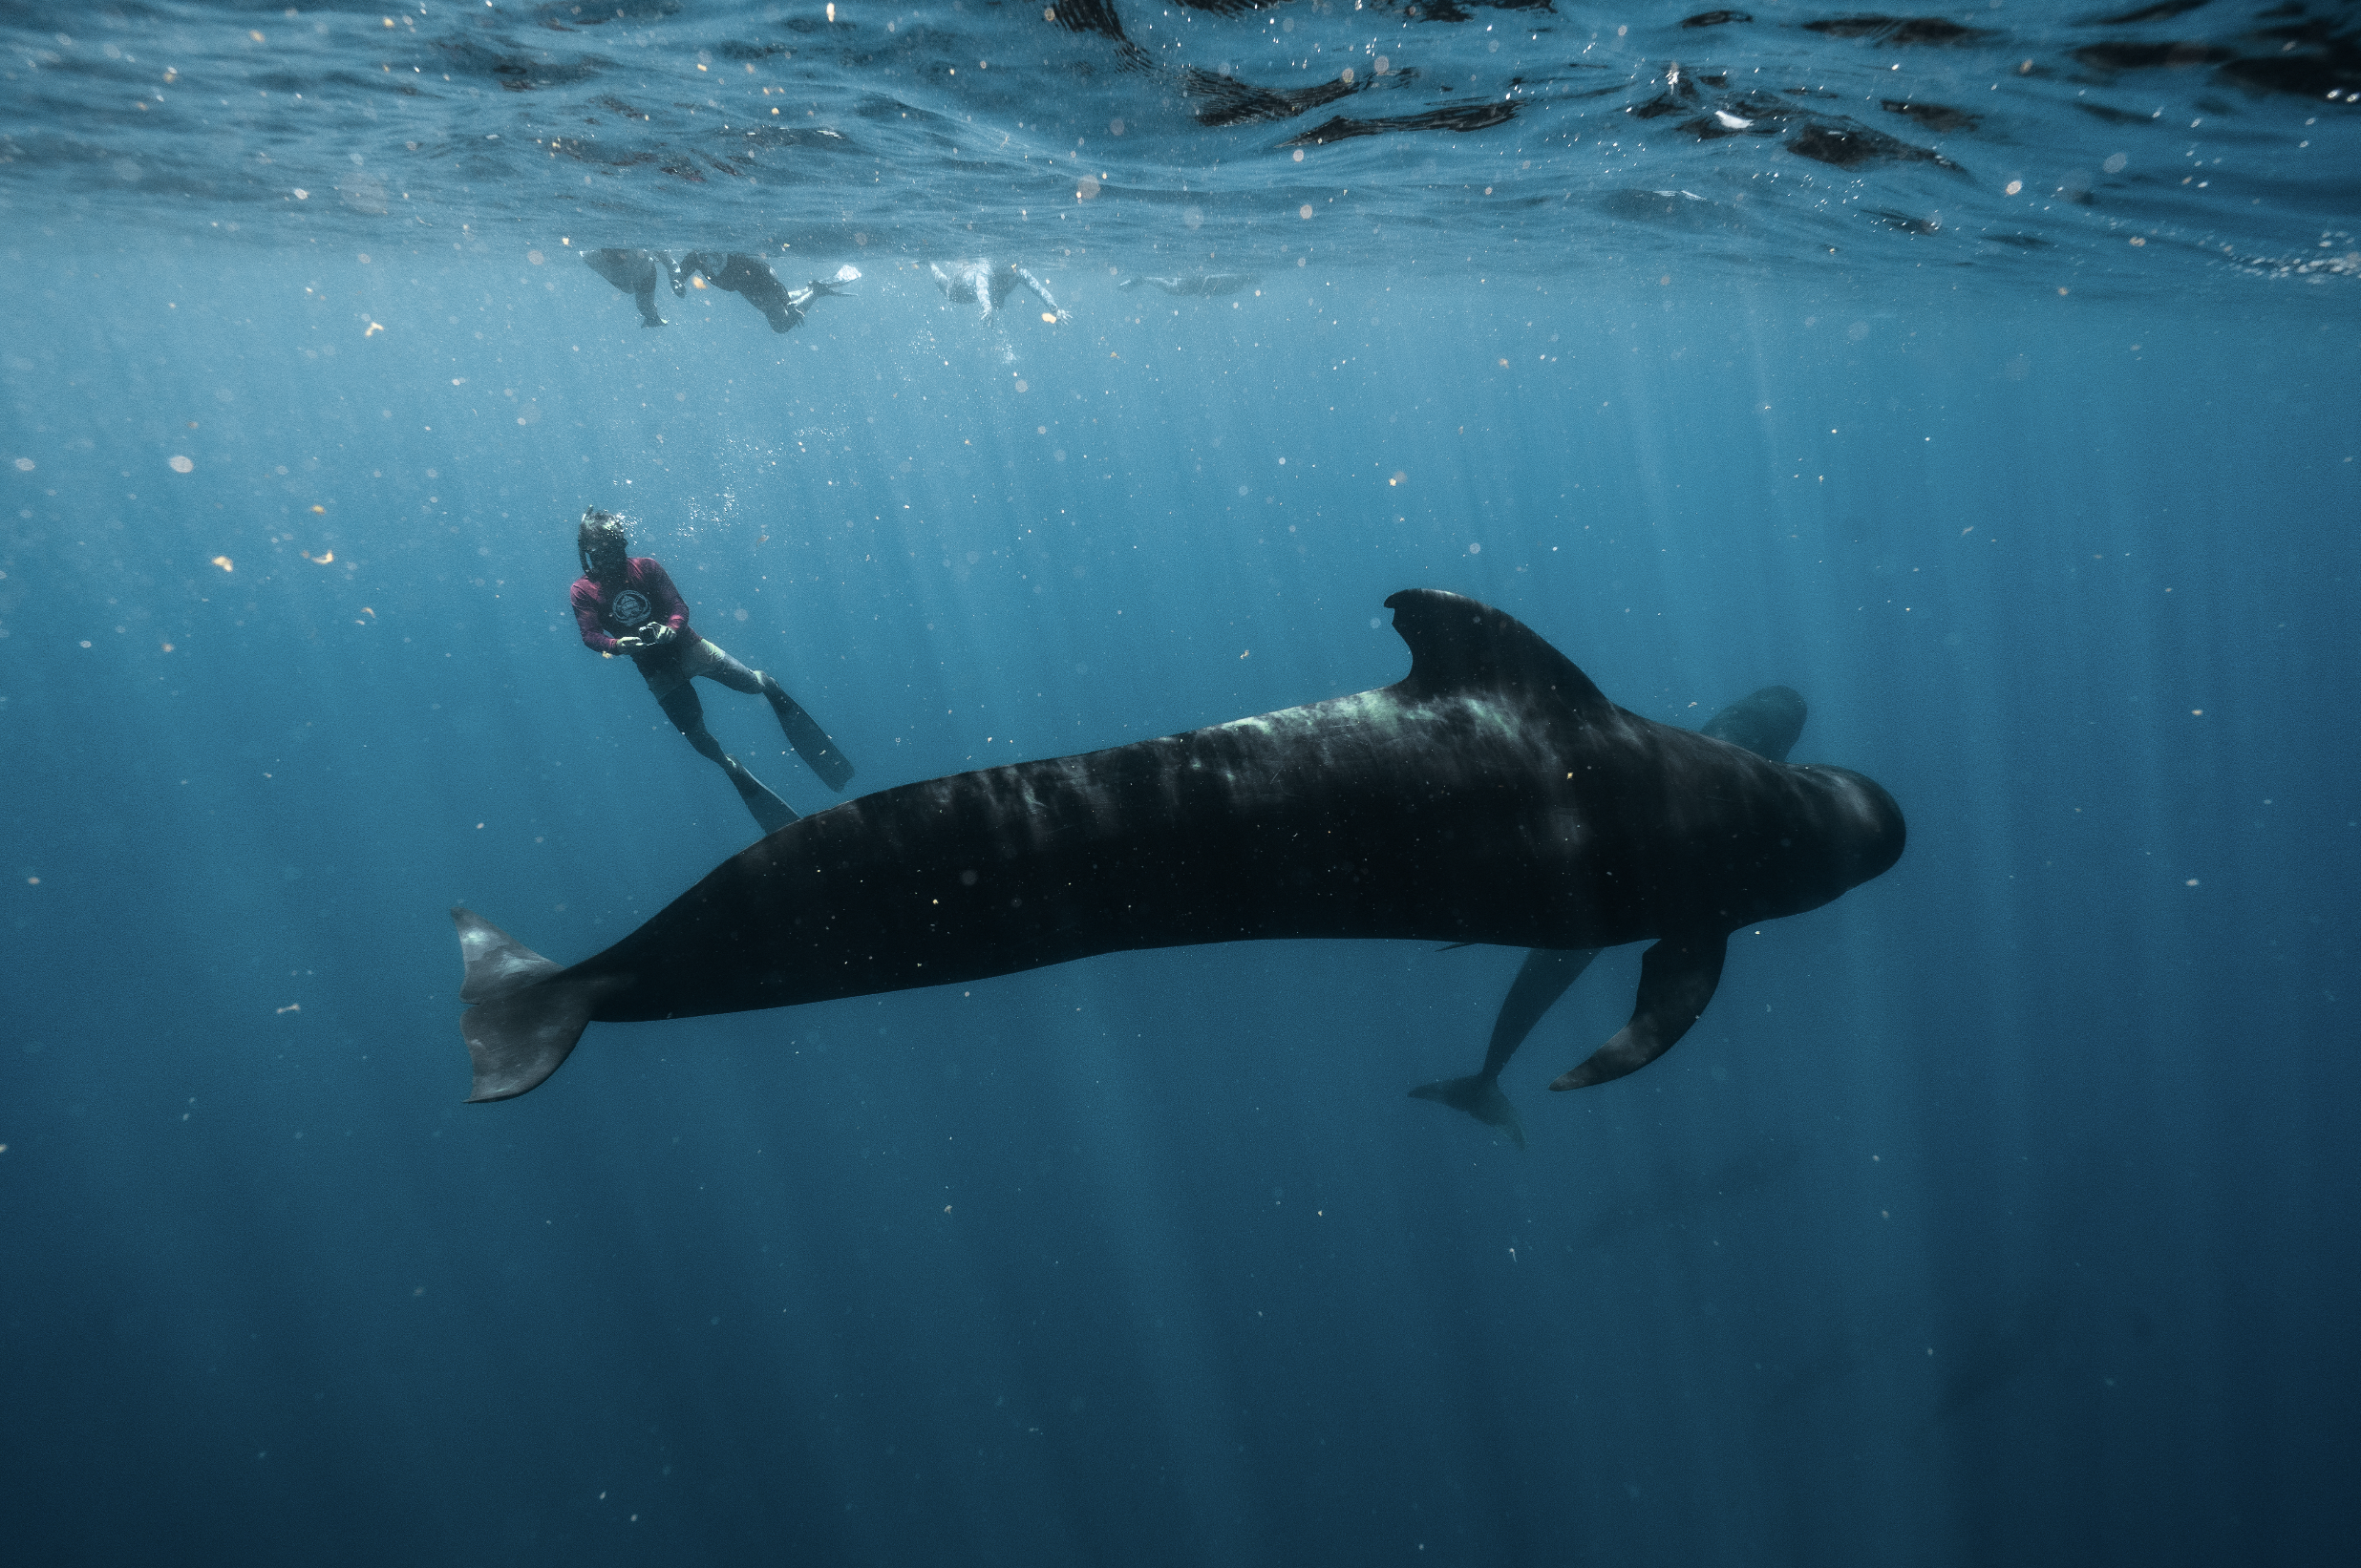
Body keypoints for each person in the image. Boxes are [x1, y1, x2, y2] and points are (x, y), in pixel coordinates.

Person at [569, 509, 856, 837]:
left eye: (616, 547)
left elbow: (678, 606)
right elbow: (590, 636)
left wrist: (669, 630)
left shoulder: (646, 567)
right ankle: (729, 765)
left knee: (750, 685)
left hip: (691, 648)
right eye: (604, 552)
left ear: (622, 543)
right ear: (590, 554)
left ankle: (767, 683)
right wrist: (620, 644)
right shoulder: (582, 591)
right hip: (657, 672)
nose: (611, 557)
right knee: (699, 739)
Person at [671, 252, 848, 333]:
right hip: (751, 290)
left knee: (780, 325)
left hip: (763, 283)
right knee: (772, 309)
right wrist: (679, 280)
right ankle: (811, 289)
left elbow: (775, 284)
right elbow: (690, 261)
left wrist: (788, 304)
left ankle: (815, 291)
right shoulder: (701, 259)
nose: (709, 261)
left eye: (713, 258)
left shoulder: (739, 262)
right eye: (706, 258)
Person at [928, 258, 1071, 321]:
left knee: (998, 304)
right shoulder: (986, 269)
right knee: (949, 294)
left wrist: (1054, 308)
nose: (1013, 269)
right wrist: (987, 307)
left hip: (987, 293)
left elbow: (1038, 289)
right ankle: (931, 263)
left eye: (1014, 267)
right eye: (1011, 267)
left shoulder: (1019, 272)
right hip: (963, 288)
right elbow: (981, 286)